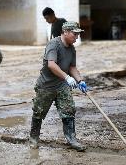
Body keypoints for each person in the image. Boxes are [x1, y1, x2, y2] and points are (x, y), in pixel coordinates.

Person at [29, 21, 88, 152]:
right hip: (46, 86)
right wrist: (67, 77)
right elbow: (51, 64)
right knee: (39, 112)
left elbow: (72, 67)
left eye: (78, 34)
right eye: (75, 34)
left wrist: (80, 80)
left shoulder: (72, 48)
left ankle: (71, 139)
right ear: (65, 32)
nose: (77, 37)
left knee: (69, 110)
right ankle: (34, 138)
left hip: (62, 85)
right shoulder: (53, 44)